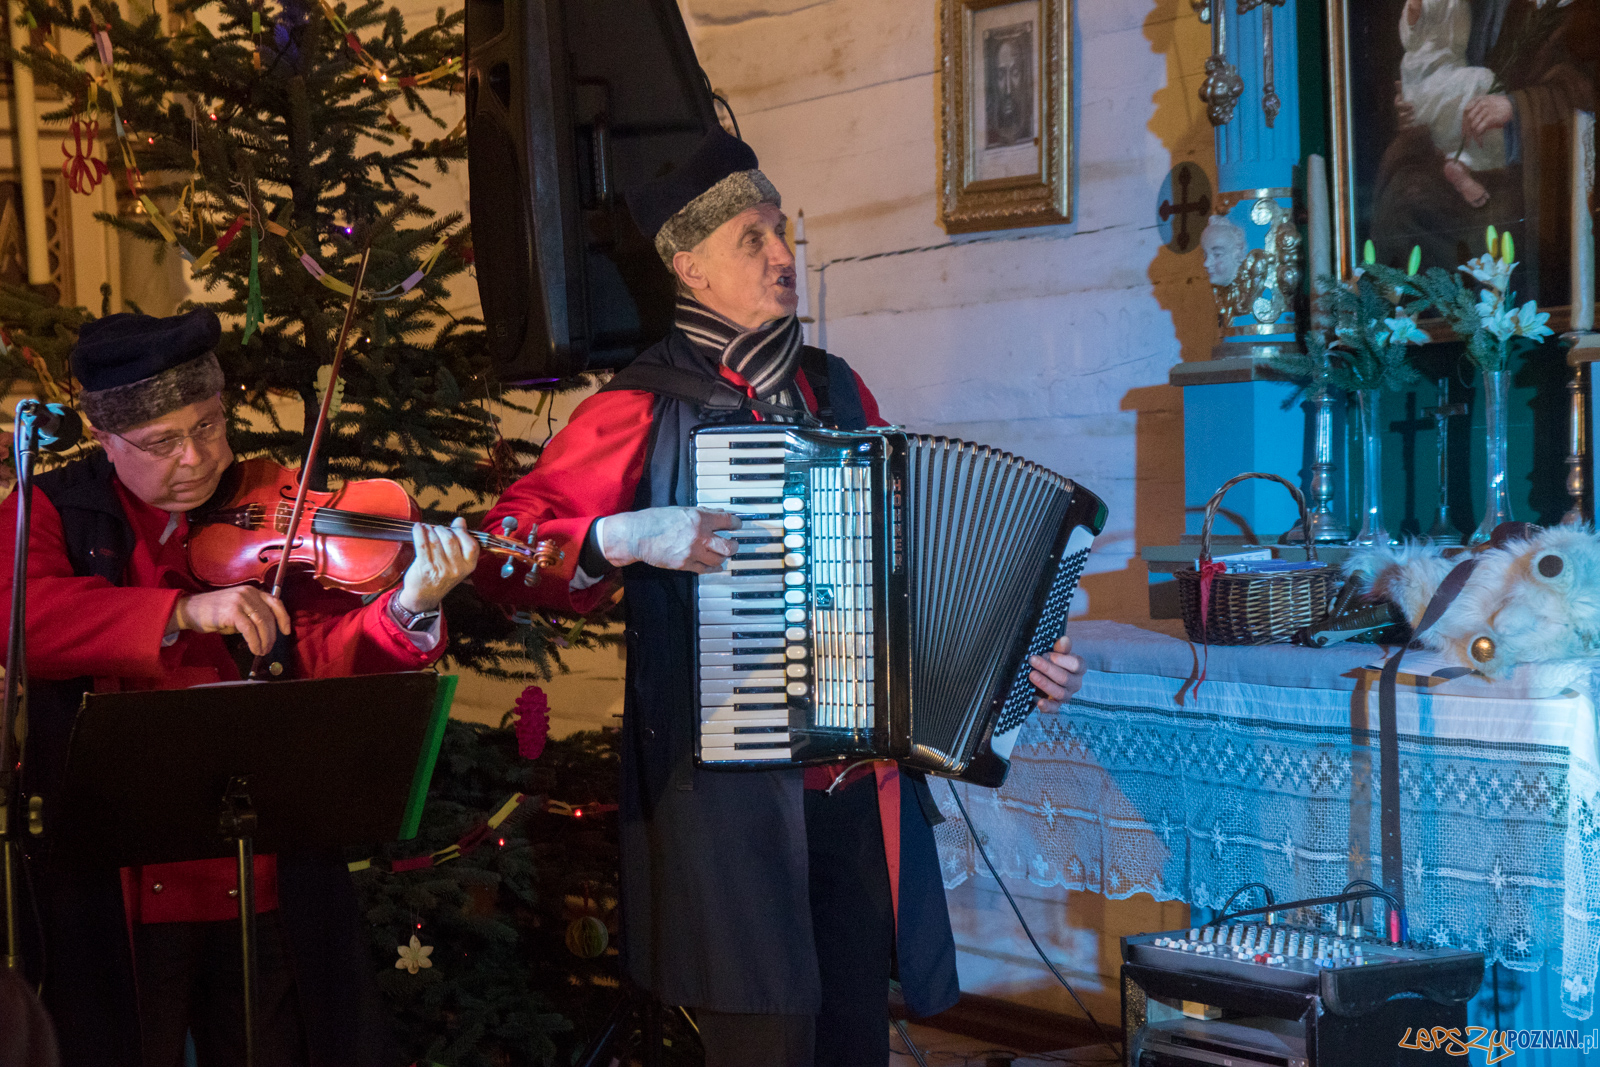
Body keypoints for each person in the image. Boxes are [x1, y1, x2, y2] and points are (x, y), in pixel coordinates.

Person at [474, 127, 1087, 1067]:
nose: (780, 255)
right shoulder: (637, 408)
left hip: (856, 796)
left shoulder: (838, 392)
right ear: (687, 266)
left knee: (854, 1045)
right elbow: (501, 551)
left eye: (780, 230)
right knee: (759, 1042)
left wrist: (1010, 666)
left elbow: (907, 573)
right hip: (729, 816)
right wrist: (623, 537)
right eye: (750, 240)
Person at [1, 309, 481, 1067]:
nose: (195, 458)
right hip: (120, 876)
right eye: (162, 443)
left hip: (259, 867)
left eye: (209, 425)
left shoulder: (269, 503)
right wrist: (181, 609)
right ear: (104, 438)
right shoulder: (53, 509)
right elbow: (18, 619)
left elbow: (326, 654)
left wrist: (409, 605)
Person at [1396, 0, 1503, 207]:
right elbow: (1411, 33)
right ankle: (1461, 162)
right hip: (1427, 86)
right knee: (1485, 82)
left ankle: (1459, 164)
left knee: (1479, 101)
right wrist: (1414, 10)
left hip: (1447, 83)